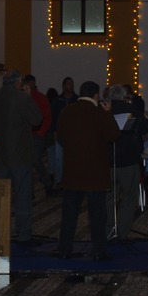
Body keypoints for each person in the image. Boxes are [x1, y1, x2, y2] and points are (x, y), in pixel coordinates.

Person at [56, 81, 119, 261]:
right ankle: (98, 251)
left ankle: (64, 249)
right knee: (97, 215)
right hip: (95, 174)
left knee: (69, 215)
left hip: (72, 172)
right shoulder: (99, 113)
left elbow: (60, 135)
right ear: (96, 95)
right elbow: (113, 135)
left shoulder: (67, 111)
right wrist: (108, 114)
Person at [0, 69, 42, 246]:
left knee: (0, 196)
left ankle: (0, 232)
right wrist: (30, 97)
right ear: (19, 83)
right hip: (19, 155)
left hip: (0, 154)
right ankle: (23, 234)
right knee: (22, 196)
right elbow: (36, 119)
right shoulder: (22, 98)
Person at [107, 84, 148, 242]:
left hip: (108, 160)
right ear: (125, 96)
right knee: (130, 196)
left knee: (108, 197)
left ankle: (108, 230)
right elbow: (145, 127)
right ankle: (122, 232)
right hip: (129, 160)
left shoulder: (104, 110)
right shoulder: (130, 109)